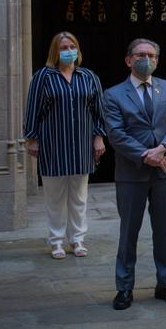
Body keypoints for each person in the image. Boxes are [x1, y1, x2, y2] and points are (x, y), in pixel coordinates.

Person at [102, 38, 166, 310]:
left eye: (151, 55)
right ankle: (124, 287)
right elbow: (116, 134)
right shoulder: (113, 95)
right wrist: (146, 155)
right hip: (131, 172)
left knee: (163, 230)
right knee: (129, 231)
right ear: (128, 60)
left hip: (164, 169)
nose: (146, 59)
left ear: (157, 60)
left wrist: (161, 149)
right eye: (140, 54)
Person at [23, 32, 107, 259]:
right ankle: (56, 240)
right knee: (54, 197)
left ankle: (77, 239)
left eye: (72, 46)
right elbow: (33, 110)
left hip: (81, 145)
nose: (68, 50)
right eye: (63, 47)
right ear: (55, 51)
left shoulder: (88, 77)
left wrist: (99, 137)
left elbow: (99, 111)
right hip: (53, 144)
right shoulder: (43, 77)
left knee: (79, 196)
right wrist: (31, 139)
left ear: (78, 50)